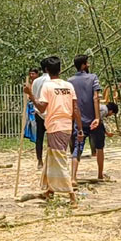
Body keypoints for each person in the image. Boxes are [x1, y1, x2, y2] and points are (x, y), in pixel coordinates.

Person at [23, 56, 83, 207]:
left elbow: (42, 107)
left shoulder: (47, 87)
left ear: (46, 71)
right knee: (52, 157)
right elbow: (75, 108)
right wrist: (80, 129)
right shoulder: (68, 86)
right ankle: (50, 190)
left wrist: (30, 95)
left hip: (55, 126)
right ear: (60, 69)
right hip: (67, 126)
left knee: (58, 159)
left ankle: (72, 196)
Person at [68, 54, 106, 182]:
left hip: (79, 121)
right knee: (99, 147)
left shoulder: (70, 81)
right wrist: (97, 118)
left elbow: (71, 103)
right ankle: (100, 174)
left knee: (77, 148)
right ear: (83, 65)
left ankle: (73, 177)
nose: (88, 65)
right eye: (87, 63)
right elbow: (96, 98)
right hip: (92, 119)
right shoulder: (93, 78)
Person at [31, 60, 50, 169]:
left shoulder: (36, 81)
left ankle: (40, 161)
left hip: (38, 111)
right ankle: (49, 160)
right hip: (49, 111)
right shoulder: (51, 80)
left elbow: (33, 96)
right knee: (51, 137)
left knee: (39, 137)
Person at [24, 68, 40, 143]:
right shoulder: (29, 84)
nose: (31, 75)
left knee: (35, 124)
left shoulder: (39, 83)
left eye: (33, 74)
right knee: (28, 122)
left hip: (37, 105)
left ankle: (37, 139)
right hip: (30, 105)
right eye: (30, 74)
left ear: (37, 74)